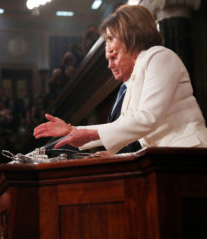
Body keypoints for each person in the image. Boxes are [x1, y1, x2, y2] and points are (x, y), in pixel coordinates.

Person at [34, 5, 207, 155]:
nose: (109, 65)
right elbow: (126, 127)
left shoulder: (159, 56)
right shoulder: (130, 82)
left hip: (190, 153)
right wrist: (72, 130)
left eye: (111, 40)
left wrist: (87, 134)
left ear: (130, 36)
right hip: (167, 158)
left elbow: (147, 118)